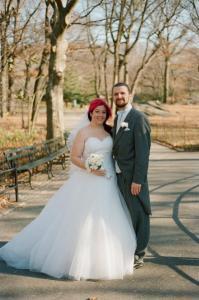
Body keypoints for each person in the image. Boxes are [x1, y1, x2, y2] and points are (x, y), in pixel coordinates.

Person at [0, 98, 136, 280]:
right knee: (83, 217)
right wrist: (91, 168)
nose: (100, 115)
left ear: (107, 115)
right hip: (89, 179)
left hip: (108, 178)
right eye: (97, 112)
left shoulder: (109, 131)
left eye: (104, 112)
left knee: (106, 216)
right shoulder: (83, 132)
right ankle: (75, 259)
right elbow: (75, 157)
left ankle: (101, 259)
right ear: (91, 113)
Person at [112, 83, 151, 269]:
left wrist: (138, 180)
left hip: (133, 177)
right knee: (126, 214)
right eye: (116, 94)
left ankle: (139, 253)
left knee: (139, 214)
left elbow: (143, 153)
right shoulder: (118, 118)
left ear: (129, 95)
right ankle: (129, 247)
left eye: (122, 93)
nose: (119, 96)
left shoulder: (138, 118)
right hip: (118, 175)